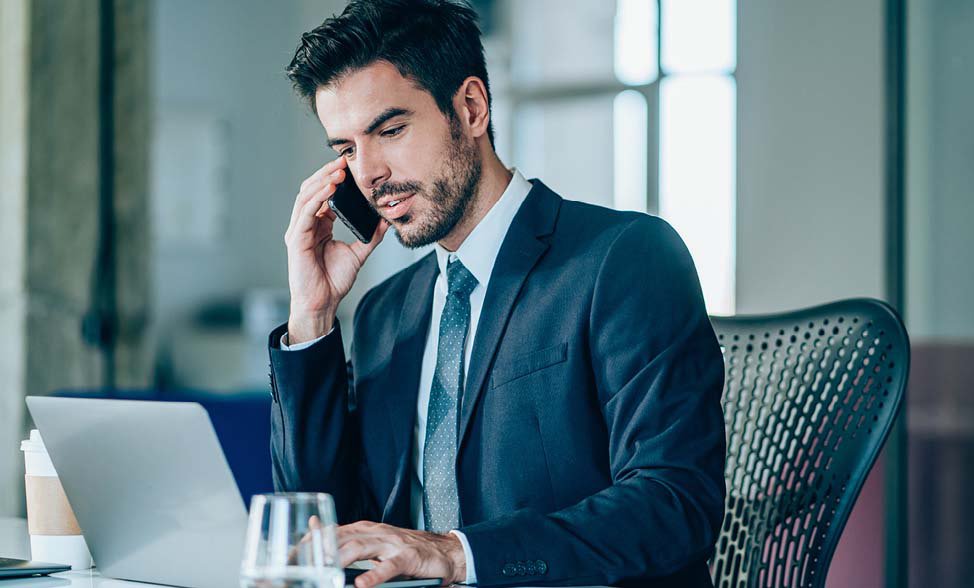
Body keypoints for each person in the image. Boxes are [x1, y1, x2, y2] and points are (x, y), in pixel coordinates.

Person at [268, 1, 727, 586]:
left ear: (471, 107)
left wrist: (456, 554)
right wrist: (312, 315)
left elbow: (675, 504)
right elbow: (324, 529)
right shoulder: (388, 313)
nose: (369, 173)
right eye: (346, 149)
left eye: (391, 130)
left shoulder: (624, 258)